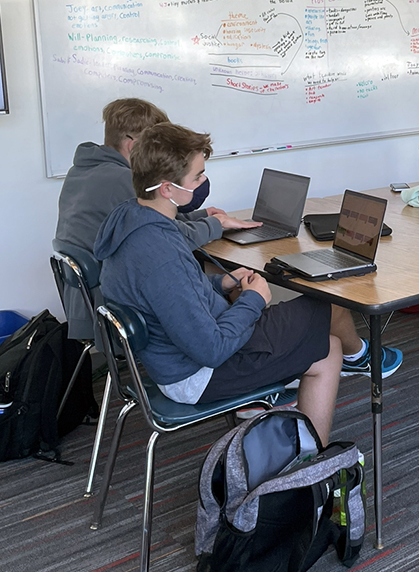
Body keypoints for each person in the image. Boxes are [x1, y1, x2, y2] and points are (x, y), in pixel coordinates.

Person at [94, 122, 403, 443]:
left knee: (328, 348)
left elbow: (170, 297)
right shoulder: (159, 253)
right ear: (167, 188)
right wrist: (252, 299)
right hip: (196, 374)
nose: (203, 182)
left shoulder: (133, 220)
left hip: (177, 357)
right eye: (197, 177)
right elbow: (211, 349)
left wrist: (222, 286)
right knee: (326, 308)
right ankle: (318, 450)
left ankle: (312, 457)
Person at [55, 98, 253, 340]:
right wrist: (216, 224)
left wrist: (202, 216)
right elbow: (170, 238)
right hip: (117, 310)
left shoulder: (83, 170)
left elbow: (154, 222)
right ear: (134, 145)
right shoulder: (122, 179)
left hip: (85, 300)